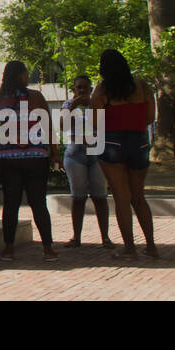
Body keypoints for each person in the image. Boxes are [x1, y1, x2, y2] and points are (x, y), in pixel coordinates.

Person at [0, 61, 58, 261]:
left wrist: (6, 137)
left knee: (11, 203)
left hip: (8, 158)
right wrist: (54, 153)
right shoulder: (36, 97)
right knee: (38, 202)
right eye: (25, 73)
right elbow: (49, 127)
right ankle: (48, 248)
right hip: (36, 156)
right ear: (22, 76)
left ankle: (8, 248)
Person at [92, 48, 157, 259]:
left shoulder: (102, 90)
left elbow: (95, 122)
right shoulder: (142, 86)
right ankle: (151, 245)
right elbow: (150, 117)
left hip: (112, 142)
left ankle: (129, 247)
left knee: (121, 196)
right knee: (138, 196)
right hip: (138, 141)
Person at [61, 74, 114, 248]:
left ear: (91, 89)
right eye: (79, 87)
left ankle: (105, 237)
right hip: (76, 153)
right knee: (78, 197)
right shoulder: (68, 105)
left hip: (97, 153)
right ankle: (76, 237)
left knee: (100, 196)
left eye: (85, 87)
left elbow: (106, 125)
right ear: (74, 90)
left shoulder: (98, 104)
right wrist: (73, 106)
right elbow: (62, 126)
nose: (82, 90)